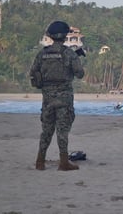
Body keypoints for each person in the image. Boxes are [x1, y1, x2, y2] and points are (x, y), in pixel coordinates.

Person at [30, 21, 85, 171]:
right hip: (64, 97)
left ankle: (40, 161)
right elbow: (80, 74)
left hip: (47, 98)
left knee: (46, 130)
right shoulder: (68, 54)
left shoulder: (42, 53)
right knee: (62, 130)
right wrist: (77, 58)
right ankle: (63, 162)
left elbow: (34, 74)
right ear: (65, 35)